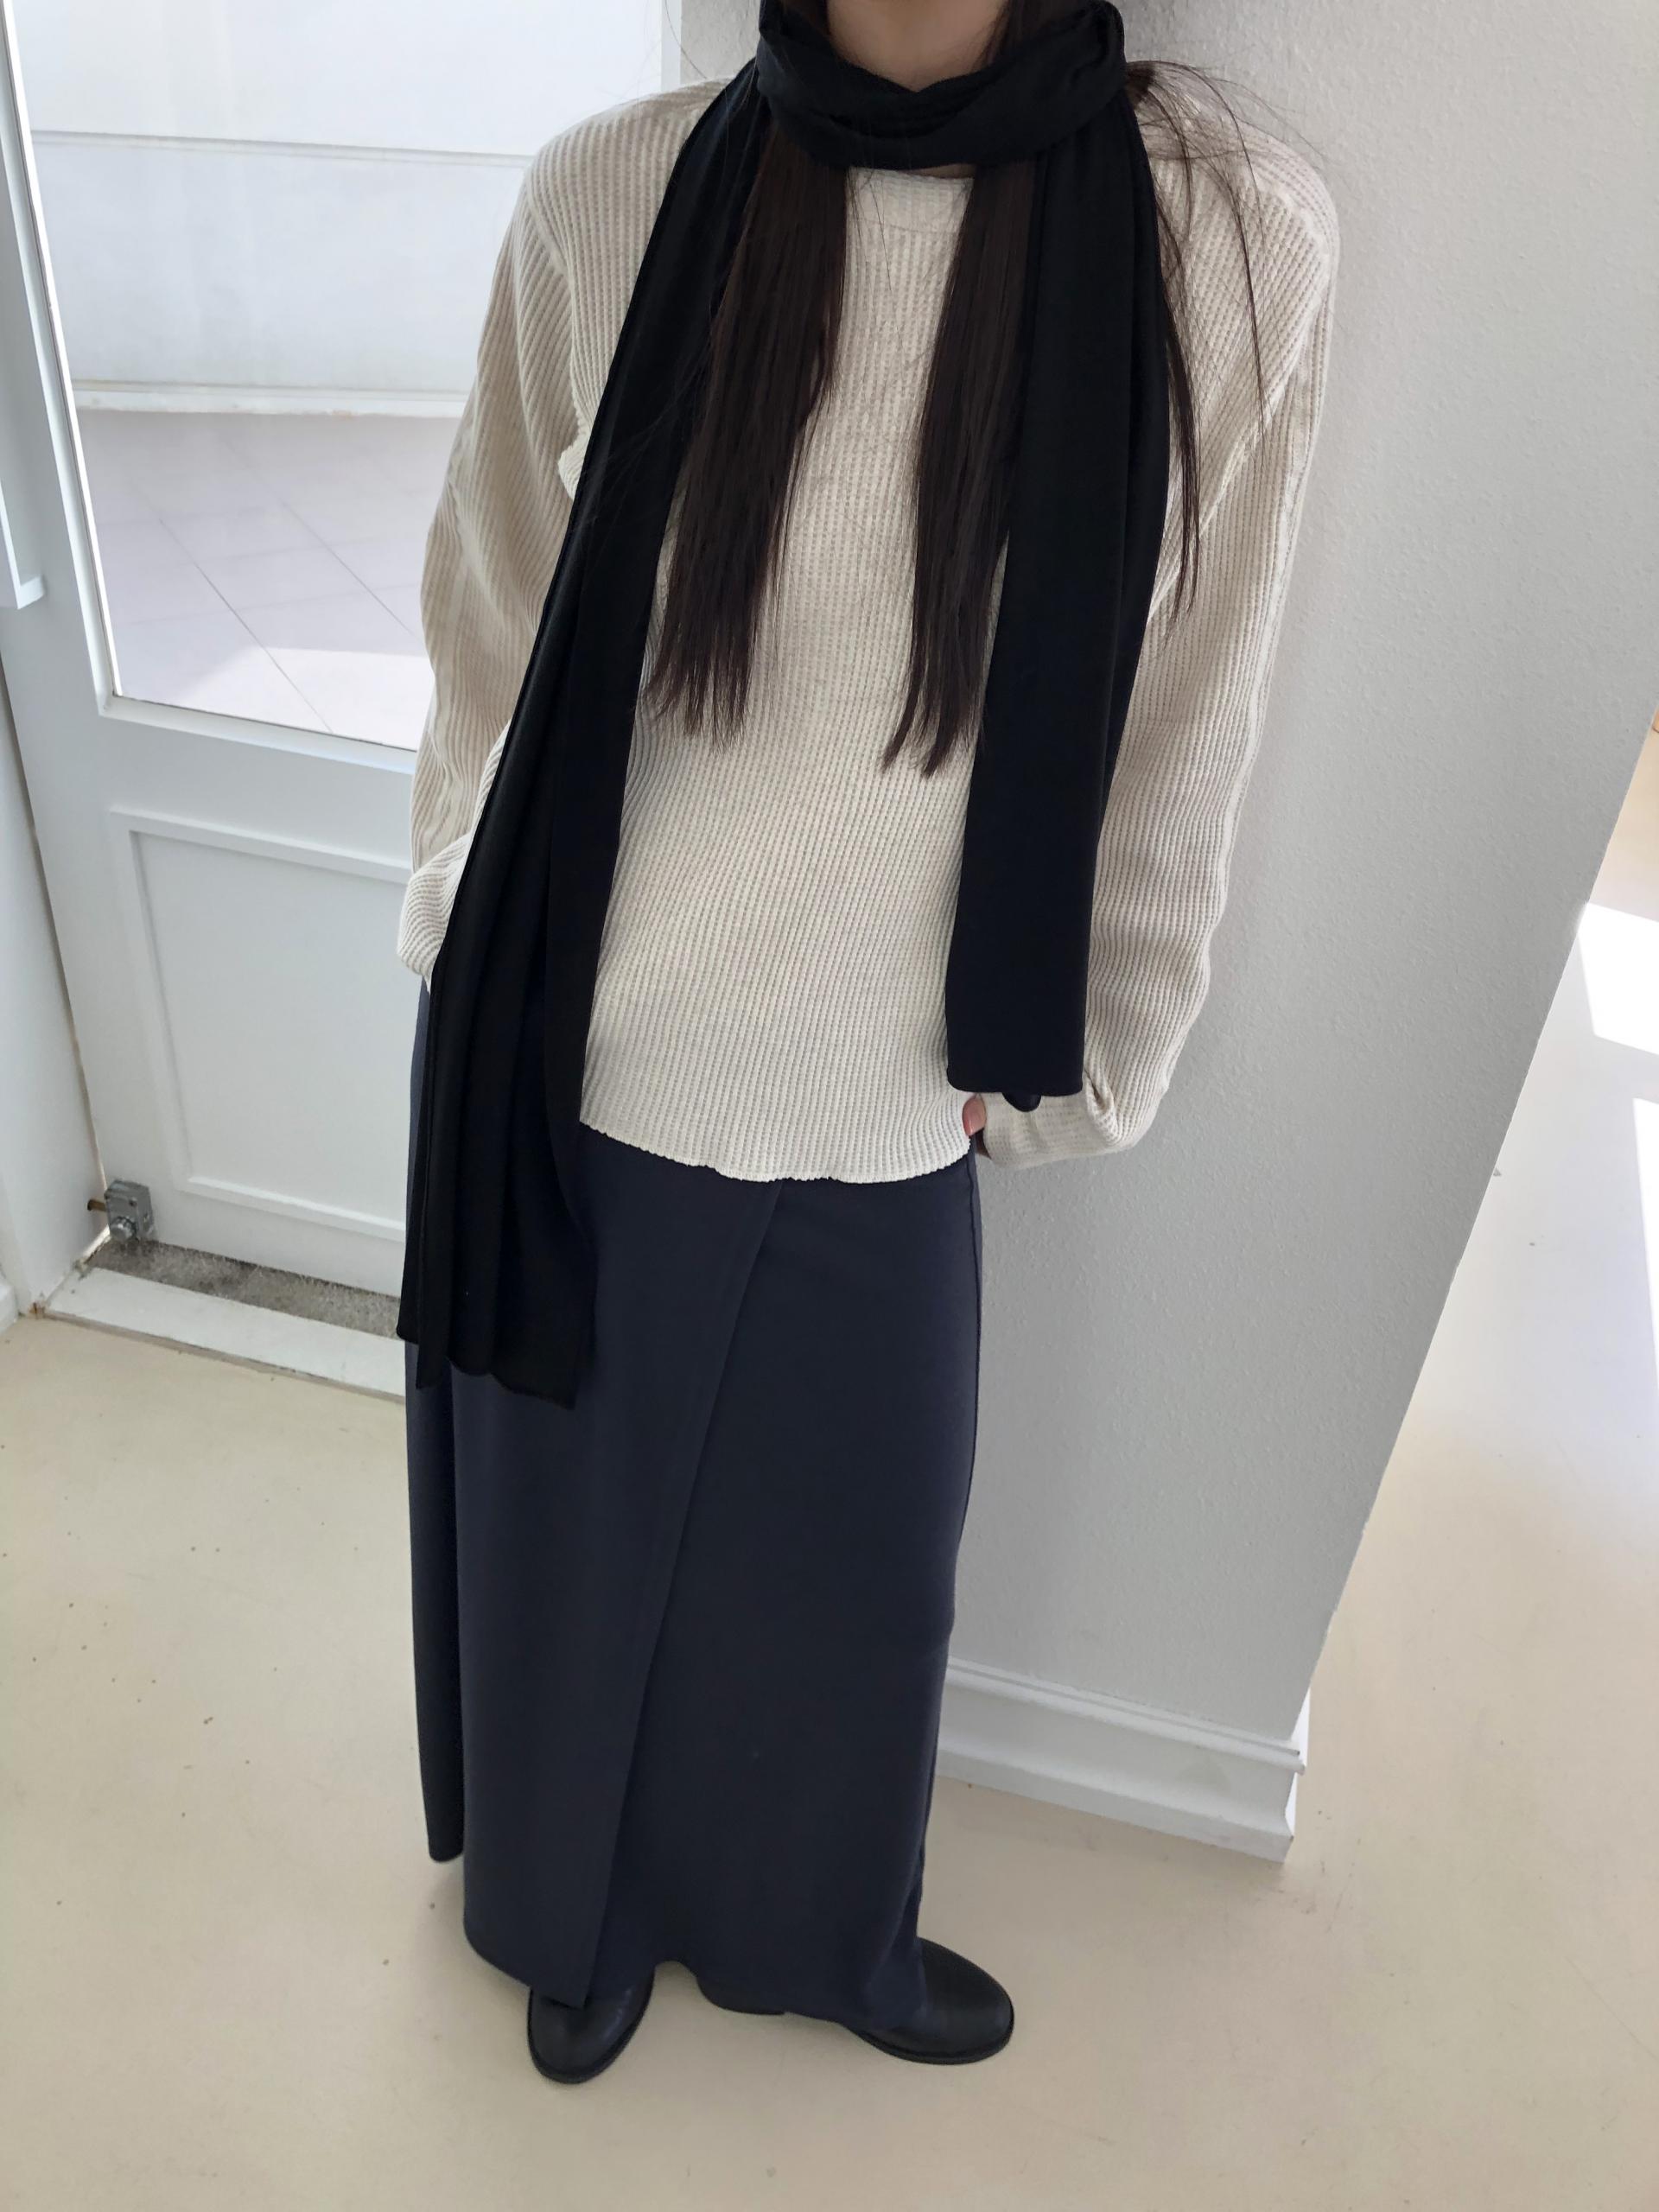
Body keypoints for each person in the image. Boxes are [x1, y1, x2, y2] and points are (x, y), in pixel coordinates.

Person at [395, 0, 1337, 2084]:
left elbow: (1193, 695)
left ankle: (823, 1933)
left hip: (898, 1060)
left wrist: (1095, 1031)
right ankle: (574, 1918)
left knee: (852, 1572)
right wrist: (462, 906)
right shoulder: (612, 193)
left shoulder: (1226, 233)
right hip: (582, 1038)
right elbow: (489, 615)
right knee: (575, 1552)